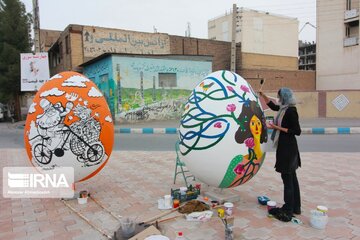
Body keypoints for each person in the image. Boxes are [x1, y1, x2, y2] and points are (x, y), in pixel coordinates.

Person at [259, 88, 301, 220]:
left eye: (279, 97)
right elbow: (273, 106)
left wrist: (276, 128)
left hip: (288, 149)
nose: (277, 98)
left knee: (288, 179)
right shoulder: (283, 109)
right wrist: (263, 95)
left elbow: (297, 131)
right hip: (285, 147)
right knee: (292, 178)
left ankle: (289, 208)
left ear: (284, 98)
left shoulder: (291, 111)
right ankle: (296, 207)